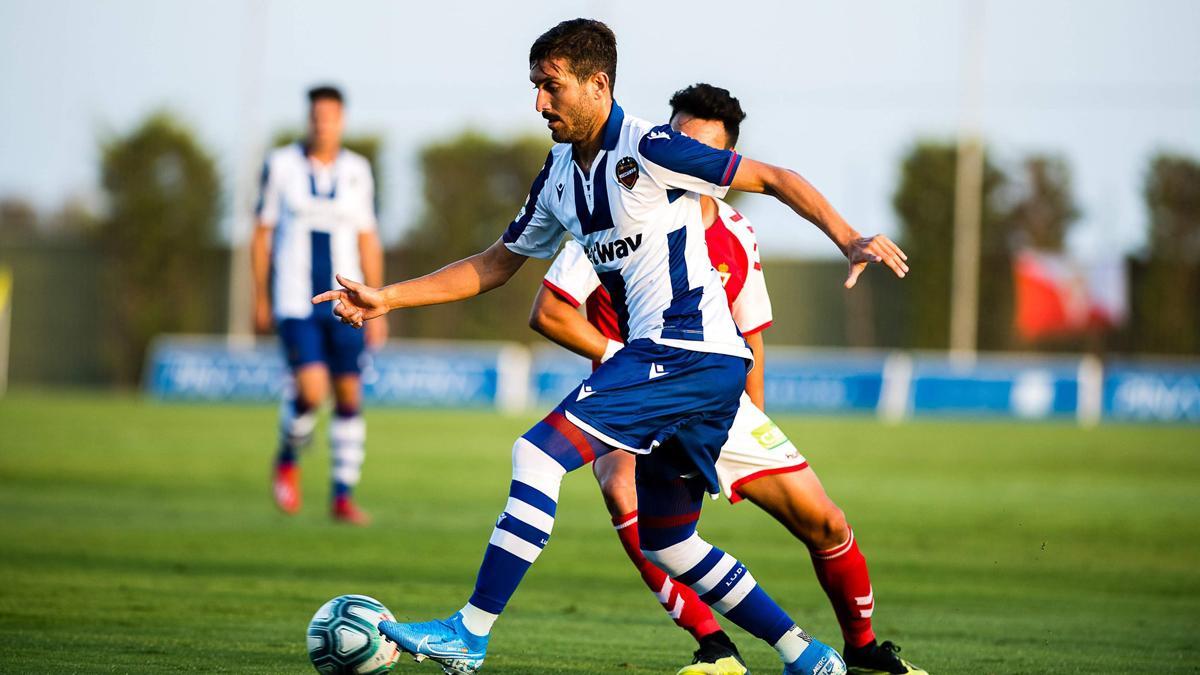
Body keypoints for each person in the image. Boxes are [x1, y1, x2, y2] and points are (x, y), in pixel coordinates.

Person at [315, 19, 906, 675]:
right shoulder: (559, 175)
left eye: (552, 86)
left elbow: (773, 177)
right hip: (691, 367)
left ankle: (470, 630)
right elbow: (496, 263)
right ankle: (807, 655)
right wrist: (388, 297)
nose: (540, 103)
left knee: (536, 454)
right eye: (535, 86)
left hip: (685, 351)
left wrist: (848, 236)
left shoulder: (652, 146)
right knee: (670, 541)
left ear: (598, 84)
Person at [529, 83, 925, 675]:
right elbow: (550, 312)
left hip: (716, 397)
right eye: (680, 141)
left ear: (722, 162)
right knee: (623, 493)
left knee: (825, 521)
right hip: (631, 397)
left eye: (705, 151)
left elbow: (752, 334)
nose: (689, 158)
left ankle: (862, 649)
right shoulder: (616, 201)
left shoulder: (738, 233)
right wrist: (629, 358)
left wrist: (754, 424)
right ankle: (715, 647)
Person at [252, 84, 385, 525]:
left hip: (346, 305)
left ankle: (342, 497)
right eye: (316, 116)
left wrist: (380, 301)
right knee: (311, 391)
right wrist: (259, 296)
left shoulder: (358, 170)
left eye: (330, 116)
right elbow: (262, 234)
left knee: (348, 393)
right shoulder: (281, 165)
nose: (322, 123)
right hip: (294, 300)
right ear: (307, 119)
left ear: (341, 121)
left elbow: (368, 237)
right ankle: (288, 457)